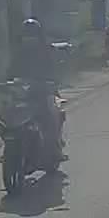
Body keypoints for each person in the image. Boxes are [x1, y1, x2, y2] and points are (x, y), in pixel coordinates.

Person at [8, 18, 64, 157]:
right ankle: (10, 144)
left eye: (32, 35)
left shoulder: (46, 51)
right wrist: (5, 82)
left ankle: (55, 145)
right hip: (23, 92)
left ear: (39, 36)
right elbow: (10, 71)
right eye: (26, 35)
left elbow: (54, 69)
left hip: (43, 91)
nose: (29, 39)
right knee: (7, 111)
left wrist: (52, 81)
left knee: (52, 111)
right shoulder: (18, 51)